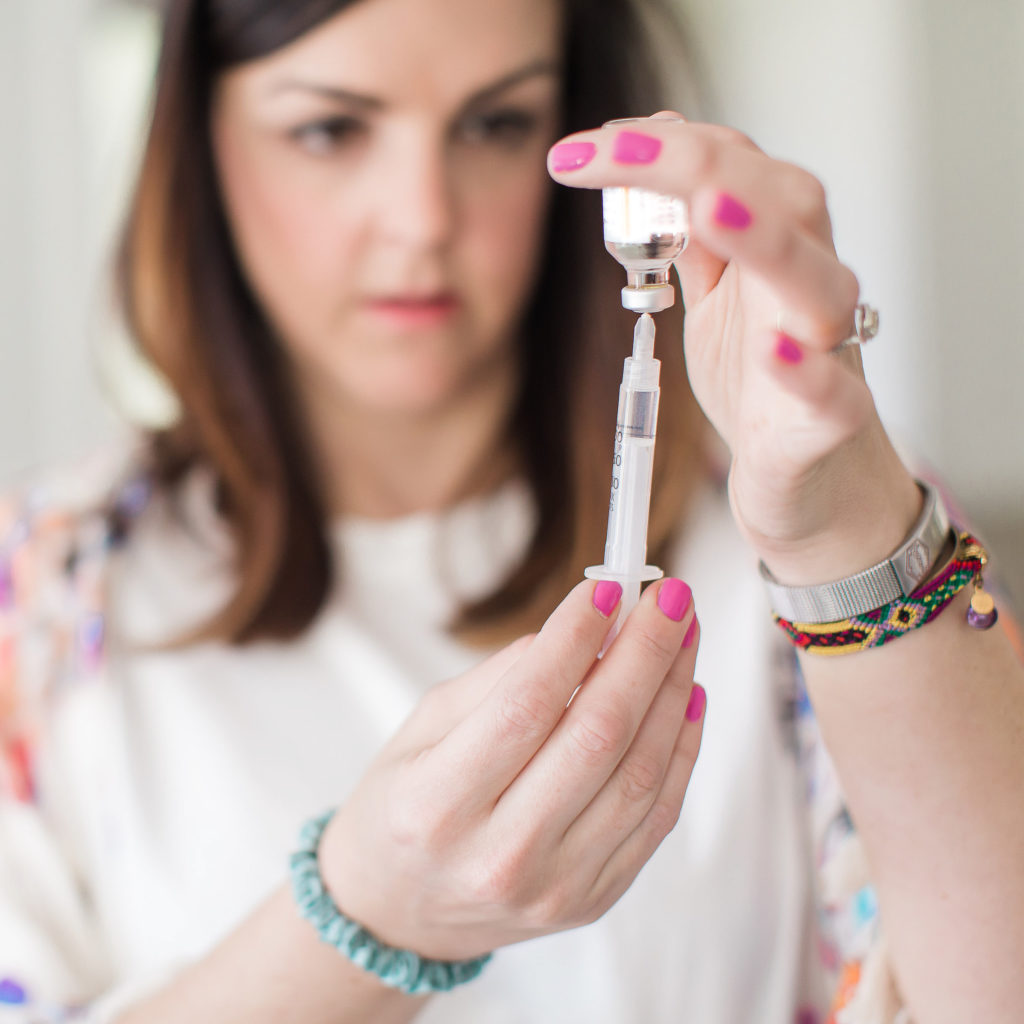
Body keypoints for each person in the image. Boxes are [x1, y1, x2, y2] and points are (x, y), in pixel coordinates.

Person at [1, 0, 1022, 1021]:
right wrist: (367, 914)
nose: (422, 219)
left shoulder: (817, 525)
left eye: (494, 124)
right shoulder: (48, 595)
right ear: (199, 140)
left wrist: (841, 533)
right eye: (330, 129)